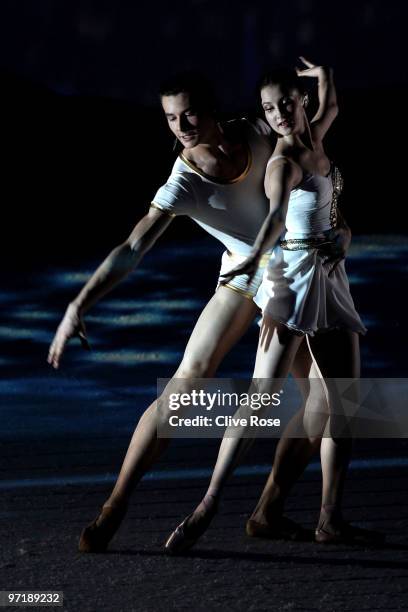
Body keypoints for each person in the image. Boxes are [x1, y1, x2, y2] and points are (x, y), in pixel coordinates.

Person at [47, 71, 348, 553]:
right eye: (170, 118)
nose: (182, 125)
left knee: (322, 400)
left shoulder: (256, 130)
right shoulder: (183, 180)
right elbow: (132, 246)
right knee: (188, 381)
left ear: (211, 110)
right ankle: (115, 505)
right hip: (242, 275)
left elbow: (312, 142)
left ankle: (268, 509)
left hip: (294, 272)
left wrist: (338, 228)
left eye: (189, 113)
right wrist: (77, 305)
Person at [164, 59, 381, 554]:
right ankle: (209, 502)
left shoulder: (317, 136)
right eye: (268, 108)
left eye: (286, 102)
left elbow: (333, 105)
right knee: (261, 399)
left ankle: (330, 519)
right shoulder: (284, 162)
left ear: (300, 102)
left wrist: (324, 73)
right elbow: (273, 225)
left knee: (344, 403)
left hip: (329, 276)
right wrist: (254, 268)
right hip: (291, 280)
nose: (279, 114)